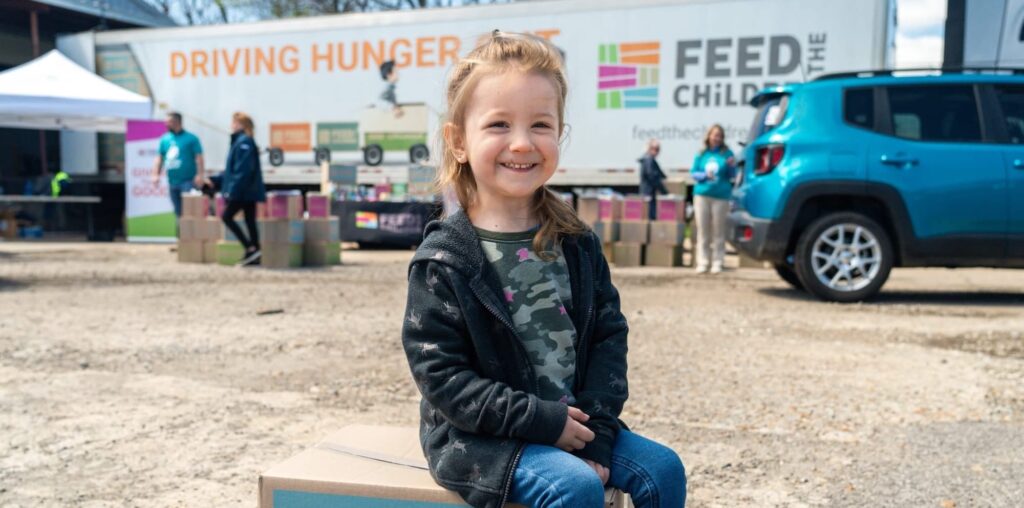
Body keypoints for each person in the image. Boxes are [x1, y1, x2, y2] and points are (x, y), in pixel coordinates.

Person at [401, 31, 685, 508]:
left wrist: (597, 432)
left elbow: (608, 338)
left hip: (574, 424)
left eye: (540, 124)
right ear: (459, 142)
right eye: (498, 124)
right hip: (482, 438)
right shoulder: (444, 260)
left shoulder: (576, 242)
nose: (521, 143)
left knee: (664, 469)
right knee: (573, 487)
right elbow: (442, 376)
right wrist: (542, 422)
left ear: (560, 135)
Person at [220, 112, 266, 267]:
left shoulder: (243, 142)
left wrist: (233, 190)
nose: (232, 125)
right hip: (248, 190)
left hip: (243, 191)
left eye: (234, 122)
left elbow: (242, 170)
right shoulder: (242, 141)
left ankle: (250, 247)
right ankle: (255, 252)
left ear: (241, 125)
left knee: (226, 217)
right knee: (249, 220)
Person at [691, 124, 736, 274]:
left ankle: (718, 262)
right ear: (709, 136)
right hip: (702, 195)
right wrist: (704, 176)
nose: (717, 138)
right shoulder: (701, 153)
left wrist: (731, 166)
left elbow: (733, 175)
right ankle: (703, 262)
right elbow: (694, 173)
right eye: (715, 135)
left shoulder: (727, 154)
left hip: (721, 196)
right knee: (703, 230)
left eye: (720, 136)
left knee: (719, 231)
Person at [152, 112, 205, 221]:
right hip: (172, 181)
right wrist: (155, 174)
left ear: (177, 122)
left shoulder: (191, 138)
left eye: (169, 122)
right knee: (178, 212)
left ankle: (190, 230)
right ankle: (181, 231)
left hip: (188, 181)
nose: (166, 124)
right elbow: (159, 158)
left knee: (189, 211)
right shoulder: (165, 139)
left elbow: (199, 158)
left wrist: (200, 175)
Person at [638, 138, 667, 220]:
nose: (657, 151)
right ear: (649, 148)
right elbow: (652, 176)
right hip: (648, 193)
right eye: (654, 149)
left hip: (650, 192)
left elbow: (660, 174)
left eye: (658, 149)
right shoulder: (648, 160)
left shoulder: (650, 160)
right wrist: (664, 191)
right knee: (649, 216)